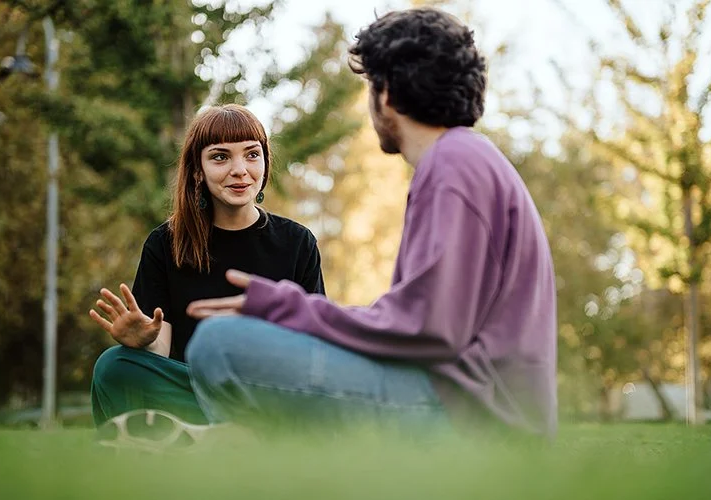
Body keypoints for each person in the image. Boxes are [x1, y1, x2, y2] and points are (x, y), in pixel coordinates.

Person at [183, 7, 558, 440]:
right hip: (475, 405)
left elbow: (428, 328)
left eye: (370, 87)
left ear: (386, 94)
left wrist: (287, 308)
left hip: (470, 417)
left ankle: (245, 458)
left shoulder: (453, 164)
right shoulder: (469, 159)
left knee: (219, 345)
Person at [89, 104, 325, 429]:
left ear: (266, 163)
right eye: (220, 157)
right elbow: (162, 349)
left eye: (252, 155)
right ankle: (218, 437)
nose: (240, 169)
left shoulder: (298, 243)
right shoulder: (165, 244)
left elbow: (314, 347)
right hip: (195, 394)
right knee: (113, 366)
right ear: (198, 169)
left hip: (270, 395)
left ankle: (234, 435)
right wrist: (143, 342)